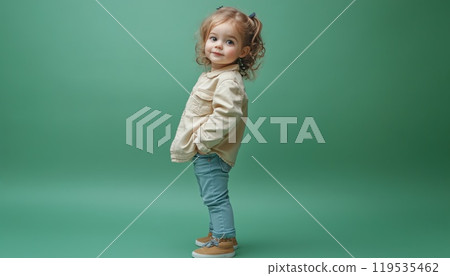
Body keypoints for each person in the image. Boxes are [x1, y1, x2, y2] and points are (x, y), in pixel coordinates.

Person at [170, 6, 265, 258]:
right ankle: (219, 233)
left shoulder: (228, 81)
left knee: (215, 197)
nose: (218, 46)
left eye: (229, 41)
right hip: (208, 150)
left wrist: (203, 141)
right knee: (211, 195)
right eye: (214, 38)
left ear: (243, 51)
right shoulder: (215, 75)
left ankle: (223, 241)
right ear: (205, 41)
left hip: (212, 151)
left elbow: (226, 115)